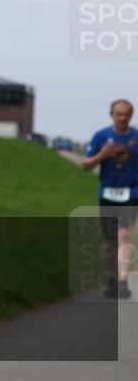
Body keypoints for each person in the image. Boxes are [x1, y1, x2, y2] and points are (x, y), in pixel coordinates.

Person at [81, 98, 138, 300]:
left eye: (126, 114)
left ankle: (123, 281)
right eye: (119, 114)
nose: (123, 118)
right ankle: (112, 280)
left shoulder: (136, 136)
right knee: (109, 240)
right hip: (108, 193)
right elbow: (85, 166)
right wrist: (101, 155)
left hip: (132, 193)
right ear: (112, 115)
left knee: (124, 234)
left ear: (131, 116)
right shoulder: (101, 136)